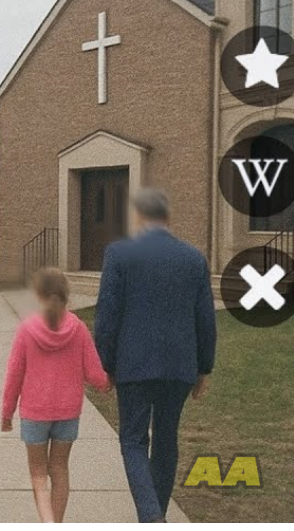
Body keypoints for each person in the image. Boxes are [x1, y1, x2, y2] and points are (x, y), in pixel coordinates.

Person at [93, 189, 216, 524]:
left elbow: (107, 316)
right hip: (179, 367)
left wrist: (105, 364)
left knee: (133, 440)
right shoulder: (194, 259)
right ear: (167, 217)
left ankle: (151, 517)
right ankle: (156, 516)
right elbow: (205, 320)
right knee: (166, 439)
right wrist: (204, 368)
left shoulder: (119, 254)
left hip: (133, 364)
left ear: (137, 216)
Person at [0, 267, 110, 523]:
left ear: (38, 295)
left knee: (38, 475)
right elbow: (95, 374)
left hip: (34, 414)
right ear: (66, 294)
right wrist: (107, 384)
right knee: (60, 470)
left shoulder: (27, 330)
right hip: (68, 413)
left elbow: (14, 376)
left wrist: (7, 414)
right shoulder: (78, 329)